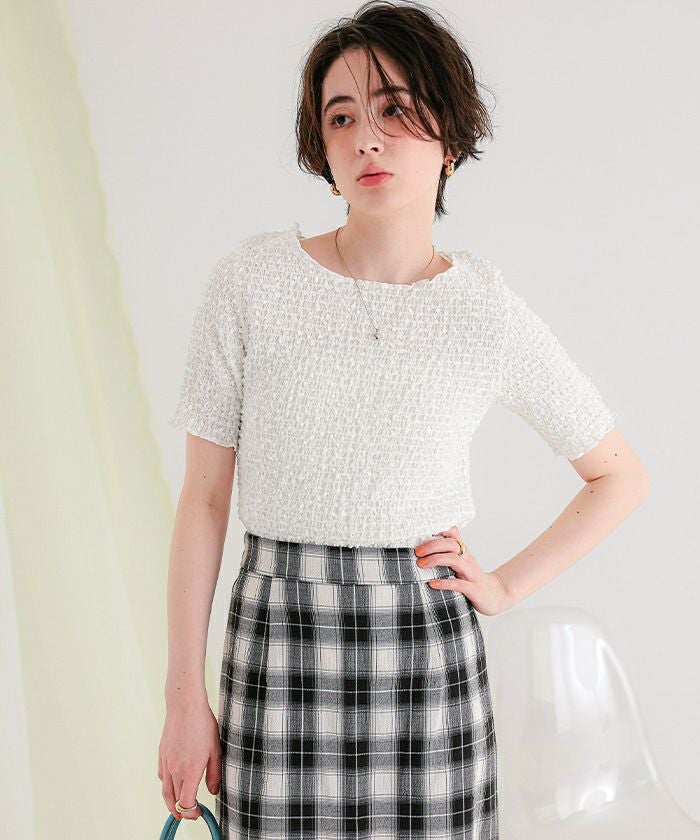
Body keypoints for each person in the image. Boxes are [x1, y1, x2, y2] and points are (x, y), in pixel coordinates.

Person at [158, 1, 649, 837]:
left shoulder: (484, 310)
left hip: (427, 651)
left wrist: (504, 587)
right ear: (322, 149)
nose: (366, 139)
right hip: (278, 640)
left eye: (394, 109)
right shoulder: (252, 285)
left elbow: (619, 476)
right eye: (341, 117)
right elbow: (203, 501)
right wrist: (183, 700)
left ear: (449, 136)